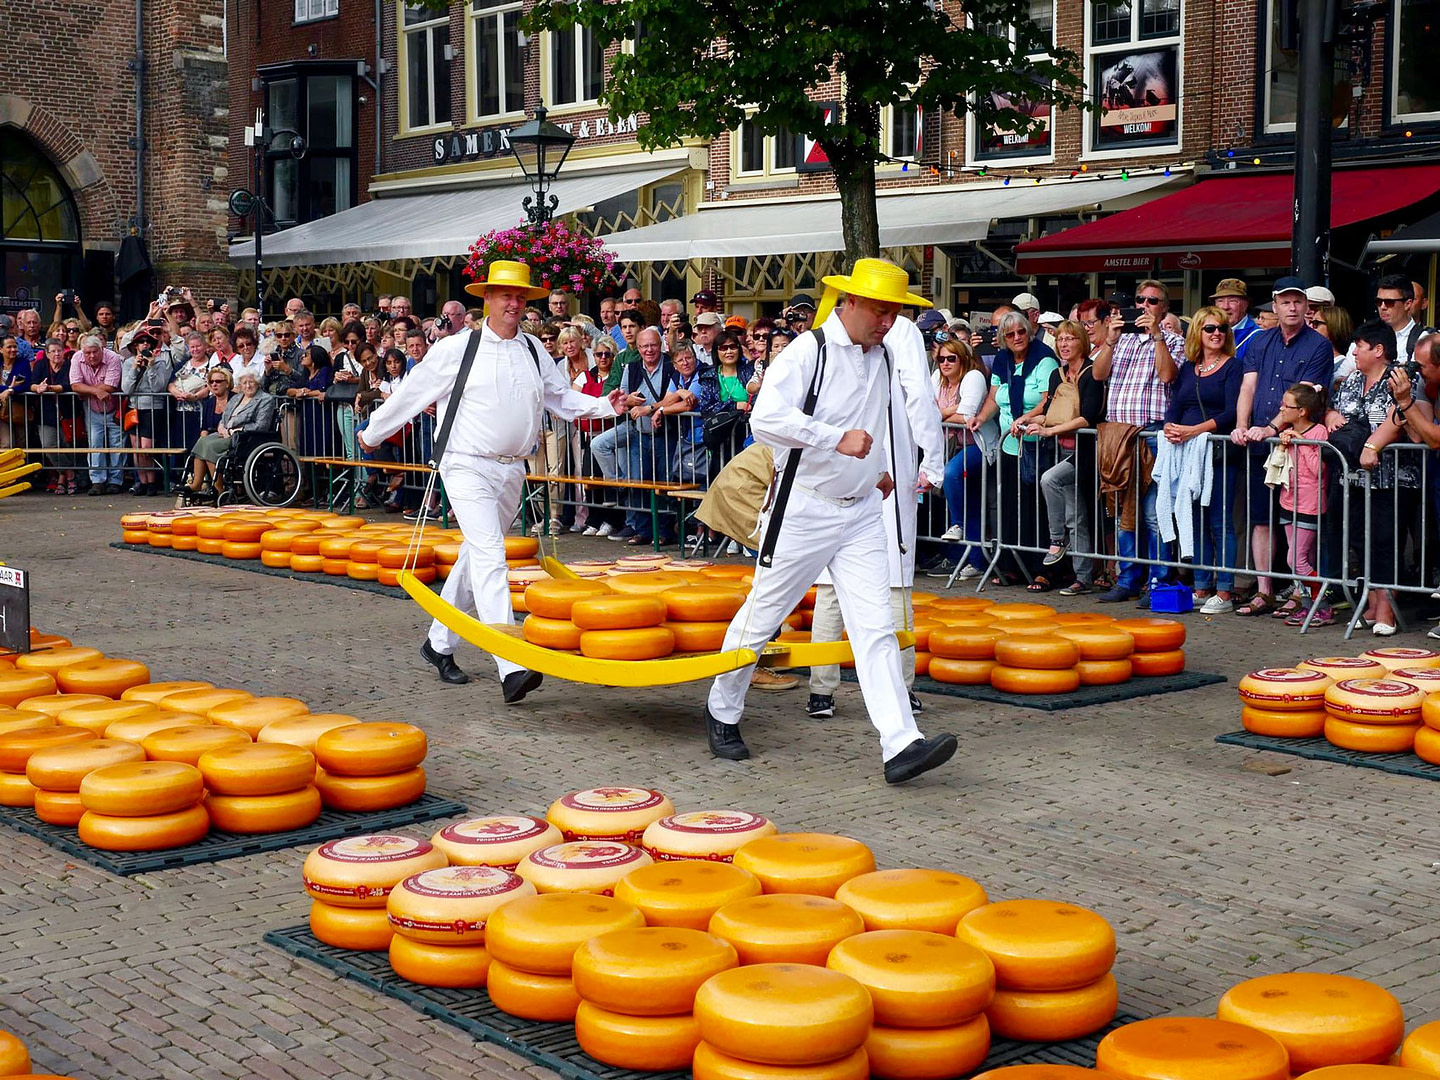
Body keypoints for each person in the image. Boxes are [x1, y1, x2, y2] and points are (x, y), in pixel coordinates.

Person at [704, 258, 956, 784]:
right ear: (851, 302)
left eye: (896, 313)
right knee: (763, 615)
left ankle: (900, 742)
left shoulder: (882, 355)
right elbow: (765, 419)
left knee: (876, 627)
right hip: (804, 508)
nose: (890, 322)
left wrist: (882, 470)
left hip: (861, 509)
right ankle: (722, 710)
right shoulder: (807, 351)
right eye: (883, 311)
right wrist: (832, 438)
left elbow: (880, 419)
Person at [358, 259, 623, 701]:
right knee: (490, 554)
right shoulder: (456, 347)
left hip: (512, 467)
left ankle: (438, 643)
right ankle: (511, 662)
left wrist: (606, 406)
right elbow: (412, 392)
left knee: (476, 557)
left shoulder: (535, 349)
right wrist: (372, 432)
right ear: (487, 299)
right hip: (465, 462)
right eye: (506, 295)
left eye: (521, 296)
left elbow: (559, 398)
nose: (515, 303)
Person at [807, 312, 944, 720]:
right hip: (883, 461)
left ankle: (821, 688)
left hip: (839, 461)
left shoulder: (829, 328)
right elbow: (919, 395)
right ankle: (901, 687)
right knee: (894, 580)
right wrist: (933, 459)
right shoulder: (901, 330)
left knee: (832, 581)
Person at [1231, 276, 1337, 617]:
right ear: (1274, 307)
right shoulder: (1260, 341)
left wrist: (1270, 427)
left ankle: (1299, 593)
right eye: (1285, 302)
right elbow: (1248, 386)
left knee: (1297, 523)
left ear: (1307, 307)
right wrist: (1241, 426)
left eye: (1298, 302)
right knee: (1261, 520)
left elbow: (1307, 397)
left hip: (1296, 445)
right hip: (1263, 443)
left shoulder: (1318, 345)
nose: (1292, 308)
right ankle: (1264, 590)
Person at [1092, 279, 1183, 603]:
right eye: (1140, 299)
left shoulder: (1172, 340)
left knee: (1153, 513)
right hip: (1119, 435)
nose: (1144, 305)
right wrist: (1111, 341)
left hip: (1153, 433)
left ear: (1164, 308)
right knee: (1121, 511)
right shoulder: (1121, 340)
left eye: (1152, 301)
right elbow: (1098, 374)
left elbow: (1168, 376)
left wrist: (1157, 335)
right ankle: (1128, 578)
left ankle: (1158, 579)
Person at [1156, 308, 1242, 612]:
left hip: (1218, 453)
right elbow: (1175, 404)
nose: (1216, 332)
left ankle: (1226, 591)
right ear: (1198, 334)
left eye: (1221, 328)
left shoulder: (1233, 367)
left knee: (1220, 522)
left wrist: (1195, 431)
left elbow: (1232, 413)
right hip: (1187, 453)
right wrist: (1169, 426)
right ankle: (1203, 586)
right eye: (1209, 328)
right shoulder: (1189, 368)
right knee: (1197, 522)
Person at [969, 311, 1058, 587]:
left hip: (1037, 444)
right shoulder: (1002, 360)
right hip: (1009, 444)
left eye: (1021, 332)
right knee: (1010, 506)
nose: (1017, 337)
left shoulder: (1044, 358)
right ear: (1003, 339)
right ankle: (1012, 565)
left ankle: (1044, 569)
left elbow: (1048, 399)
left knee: (1037, 509)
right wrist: (980, 418)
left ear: (1029, 332)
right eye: (1010, 334)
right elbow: (995, 396)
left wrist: (1026, 418)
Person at [1332, 321, 1409, 635]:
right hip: (1352, 478)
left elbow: (1400, 417)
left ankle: (1386, 609)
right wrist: (1330, 415)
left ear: (1378, 350)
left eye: (1360, 346)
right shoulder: (1351, 380)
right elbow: (1339, 411)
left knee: (1384, 542)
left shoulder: (1399, 377)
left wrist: (1372, 444)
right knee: (1359, 540)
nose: (1354, 351)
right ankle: (1371, 600)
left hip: (1390, 477)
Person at [1035, 319, 1107, 595]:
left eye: (1070, 339)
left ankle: (1056, 540)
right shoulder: (1057, 374)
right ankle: (1082, 576)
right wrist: (1028, 421)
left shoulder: (1092, 374)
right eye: (1061, 339)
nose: (1064, 345)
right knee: (1075, 515)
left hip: (1087, 450)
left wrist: (1048, 431)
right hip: (1064, 448)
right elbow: (1051, 411)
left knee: (1049, 479)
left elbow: (1086, 418)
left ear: (1082, 342)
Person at [936, 339, 997, 582]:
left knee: (951, 474)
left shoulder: (973, 376)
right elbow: (924, 410)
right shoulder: (938, 381)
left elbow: (968, 414)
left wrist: (942, 413)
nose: (945, 363)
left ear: (962, 359)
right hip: (951, 447)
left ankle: (959, 525)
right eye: (941, 359)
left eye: (952, 358)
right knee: (968, 501)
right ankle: (975, 561)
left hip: (979, 444)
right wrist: (954, 410)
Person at [1275, 382, 1333, 627]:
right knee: (1299, 558)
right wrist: (1282, 444)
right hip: (1288, 500)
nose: (1281, 409)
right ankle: (1308, 607)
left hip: (1309, 504)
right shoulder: (1287, 428)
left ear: (1302, 411)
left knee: (1296, 560)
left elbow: (1318, 470)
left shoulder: (1318, 432)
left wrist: (1302, 442)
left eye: (1287, 405)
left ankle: (1324, 605)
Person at [186, 371, 275, 494]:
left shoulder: (265, 399)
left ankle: (219, 489)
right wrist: (222, 427)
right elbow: (225, 417)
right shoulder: (237, 397)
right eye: (245, 383)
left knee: (210, 446)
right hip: (226, 433)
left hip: (245, 438)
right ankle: (197, 483)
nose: (248, 386)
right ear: (241, 385)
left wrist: (236, 430)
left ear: (258, 384)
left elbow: (261, 426)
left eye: (251, 382)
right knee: (202, 441)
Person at [120, 326, 175, 495]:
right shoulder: (129, 363)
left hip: (152, 408)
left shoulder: (160, 362)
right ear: (135, 346)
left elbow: (158, 388)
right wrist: (135, 368)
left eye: (147, 342)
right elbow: (126, 389)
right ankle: (142, 482)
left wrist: (150, 368)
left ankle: (152, 482)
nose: (144, 345)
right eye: (141, 342)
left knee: (147, 448)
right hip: (134, 408)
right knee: (136, 448)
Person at [69, 335, 125, 494]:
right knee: (95, 444)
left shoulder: (113, 357)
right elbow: (75, 384)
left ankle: (115, 481)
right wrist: (96, 391)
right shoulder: (76, 358)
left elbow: (112, 384)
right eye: (87, 353)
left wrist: (89, 389)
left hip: (114, 407)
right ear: (82, 351)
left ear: (102, 349)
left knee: (117, 445)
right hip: (92, 408)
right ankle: (97, 481)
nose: (91, 356)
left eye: (95, 352)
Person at [698, 329, 755, 483]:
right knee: (719, 482)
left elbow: (758, 399)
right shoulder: (709, 376)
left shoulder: (750, 372)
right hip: (719, 438)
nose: (728, 351)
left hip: (745, 436)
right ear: (717, 352)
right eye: (723, 348)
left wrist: (749, 406)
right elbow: (706, 407)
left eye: (732, 347)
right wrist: (735, 405)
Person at [29, 338, 76, 493]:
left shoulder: (69, 365)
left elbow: (71, 384)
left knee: (66, 446)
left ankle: (62, 478)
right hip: (46, 413)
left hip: (67, 412)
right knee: (49, 446)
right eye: (53, 351)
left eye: (59, 351)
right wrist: (39, 388)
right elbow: (32, 383)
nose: (57, 354)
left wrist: (52, 388)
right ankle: (69, 473)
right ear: (47, 354)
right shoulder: (41, 365)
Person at [1211, 279, 1263, 362]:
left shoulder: (1258, 337)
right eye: (1220, 301)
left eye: (1232, 301)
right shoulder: (1208, 333)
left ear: (1245, 305)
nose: (1225, 307)